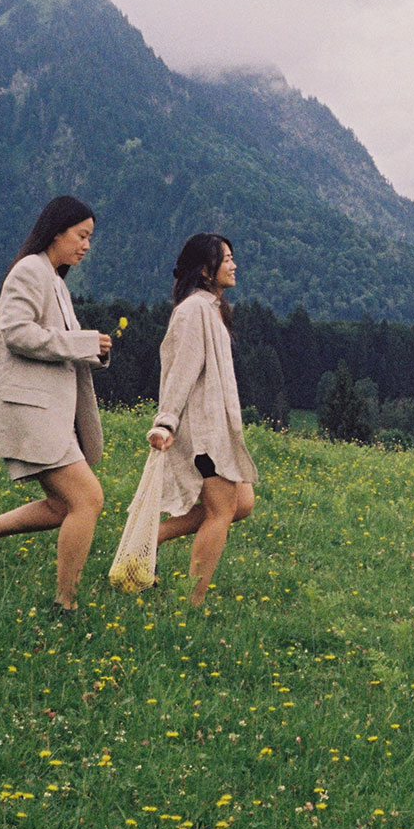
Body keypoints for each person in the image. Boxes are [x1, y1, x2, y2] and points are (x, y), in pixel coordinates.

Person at [0, 195, 113, 612]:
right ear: (57, 231)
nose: (86, 245)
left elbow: (55, 342)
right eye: (81, 235)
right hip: (31, 410)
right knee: (88, 500)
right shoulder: (29, 271)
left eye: (90, 237)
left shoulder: (53, 278)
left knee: (62, 506)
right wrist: (82, 342)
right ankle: (65, 603)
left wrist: (92, 349)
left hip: (49, 412)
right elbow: (16, 333)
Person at [148, 232, 258, 607]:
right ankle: (190, 603)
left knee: (242, 502)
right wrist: (165, 422)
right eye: (226, 258)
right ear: (206, 269)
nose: (233, 264)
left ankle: (150, 539)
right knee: (221, 511)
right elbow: (181, 371)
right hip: (201, 432)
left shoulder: (209, 308)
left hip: (215, 428)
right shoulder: (194, 310)